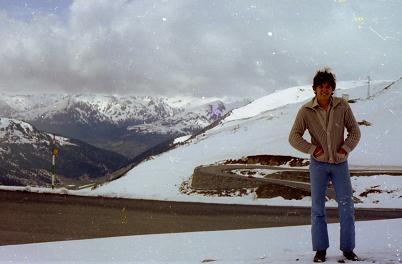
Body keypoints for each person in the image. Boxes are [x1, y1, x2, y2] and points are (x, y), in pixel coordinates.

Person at [288, 68, 361, 262]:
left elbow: (355, 131)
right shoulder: (305, 111)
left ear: (332, 89)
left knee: (346, 206)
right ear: (315, 89)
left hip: (340, 164)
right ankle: (320, 250)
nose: (324, 89)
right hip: (318, 165)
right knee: (317, 207)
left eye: (328, 86)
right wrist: (313, 150)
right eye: (321, 86)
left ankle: (348, 249)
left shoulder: (342, 106)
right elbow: (294, 137)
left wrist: (345, 149)